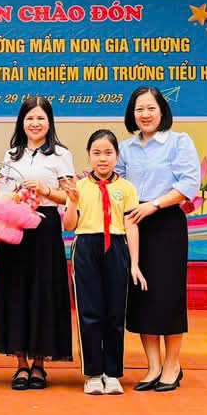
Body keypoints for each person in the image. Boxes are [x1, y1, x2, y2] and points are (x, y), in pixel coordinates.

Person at [117, 86, 199, 393]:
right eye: (139, 109)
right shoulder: (125, 148)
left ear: (162, 111)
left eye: (151, 108)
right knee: (142, 296)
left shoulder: (179, 141)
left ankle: (172, 365)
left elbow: (189, 183)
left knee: (168, 296)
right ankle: (152, 366)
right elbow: (117, 185)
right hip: (135, 224)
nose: (145, 114)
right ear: (132, 114)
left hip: (166, 222)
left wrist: (154, 204)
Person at [0, 96, 74, 390]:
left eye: (40, 118)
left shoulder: (61, 154)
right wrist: (10, 197)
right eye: (29, 118)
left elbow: (70, 196)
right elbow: (1, 193)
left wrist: (46, 190)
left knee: (43, 292)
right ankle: (20, 365)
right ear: (21, 122)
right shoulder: (11, 154)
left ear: (49, 122)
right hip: (15, 229)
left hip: (45, 229)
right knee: (16, 291)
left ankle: (39, 365)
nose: (35, 123)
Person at [62, 129, 145, 396]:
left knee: (115, 312)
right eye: (96, 153)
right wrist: (72, 202)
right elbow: (69, 225)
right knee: (89, 312)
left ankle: (112, 373)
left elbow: (131, 226)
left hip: (117, 247)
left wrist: (134, 264)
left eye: (108, 153)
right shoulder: (79, 187)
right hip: (86, 246)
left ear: (117, 156)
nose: (102, 158)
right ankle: (93, 374)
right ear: (88, 156)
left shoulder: (126, 188)